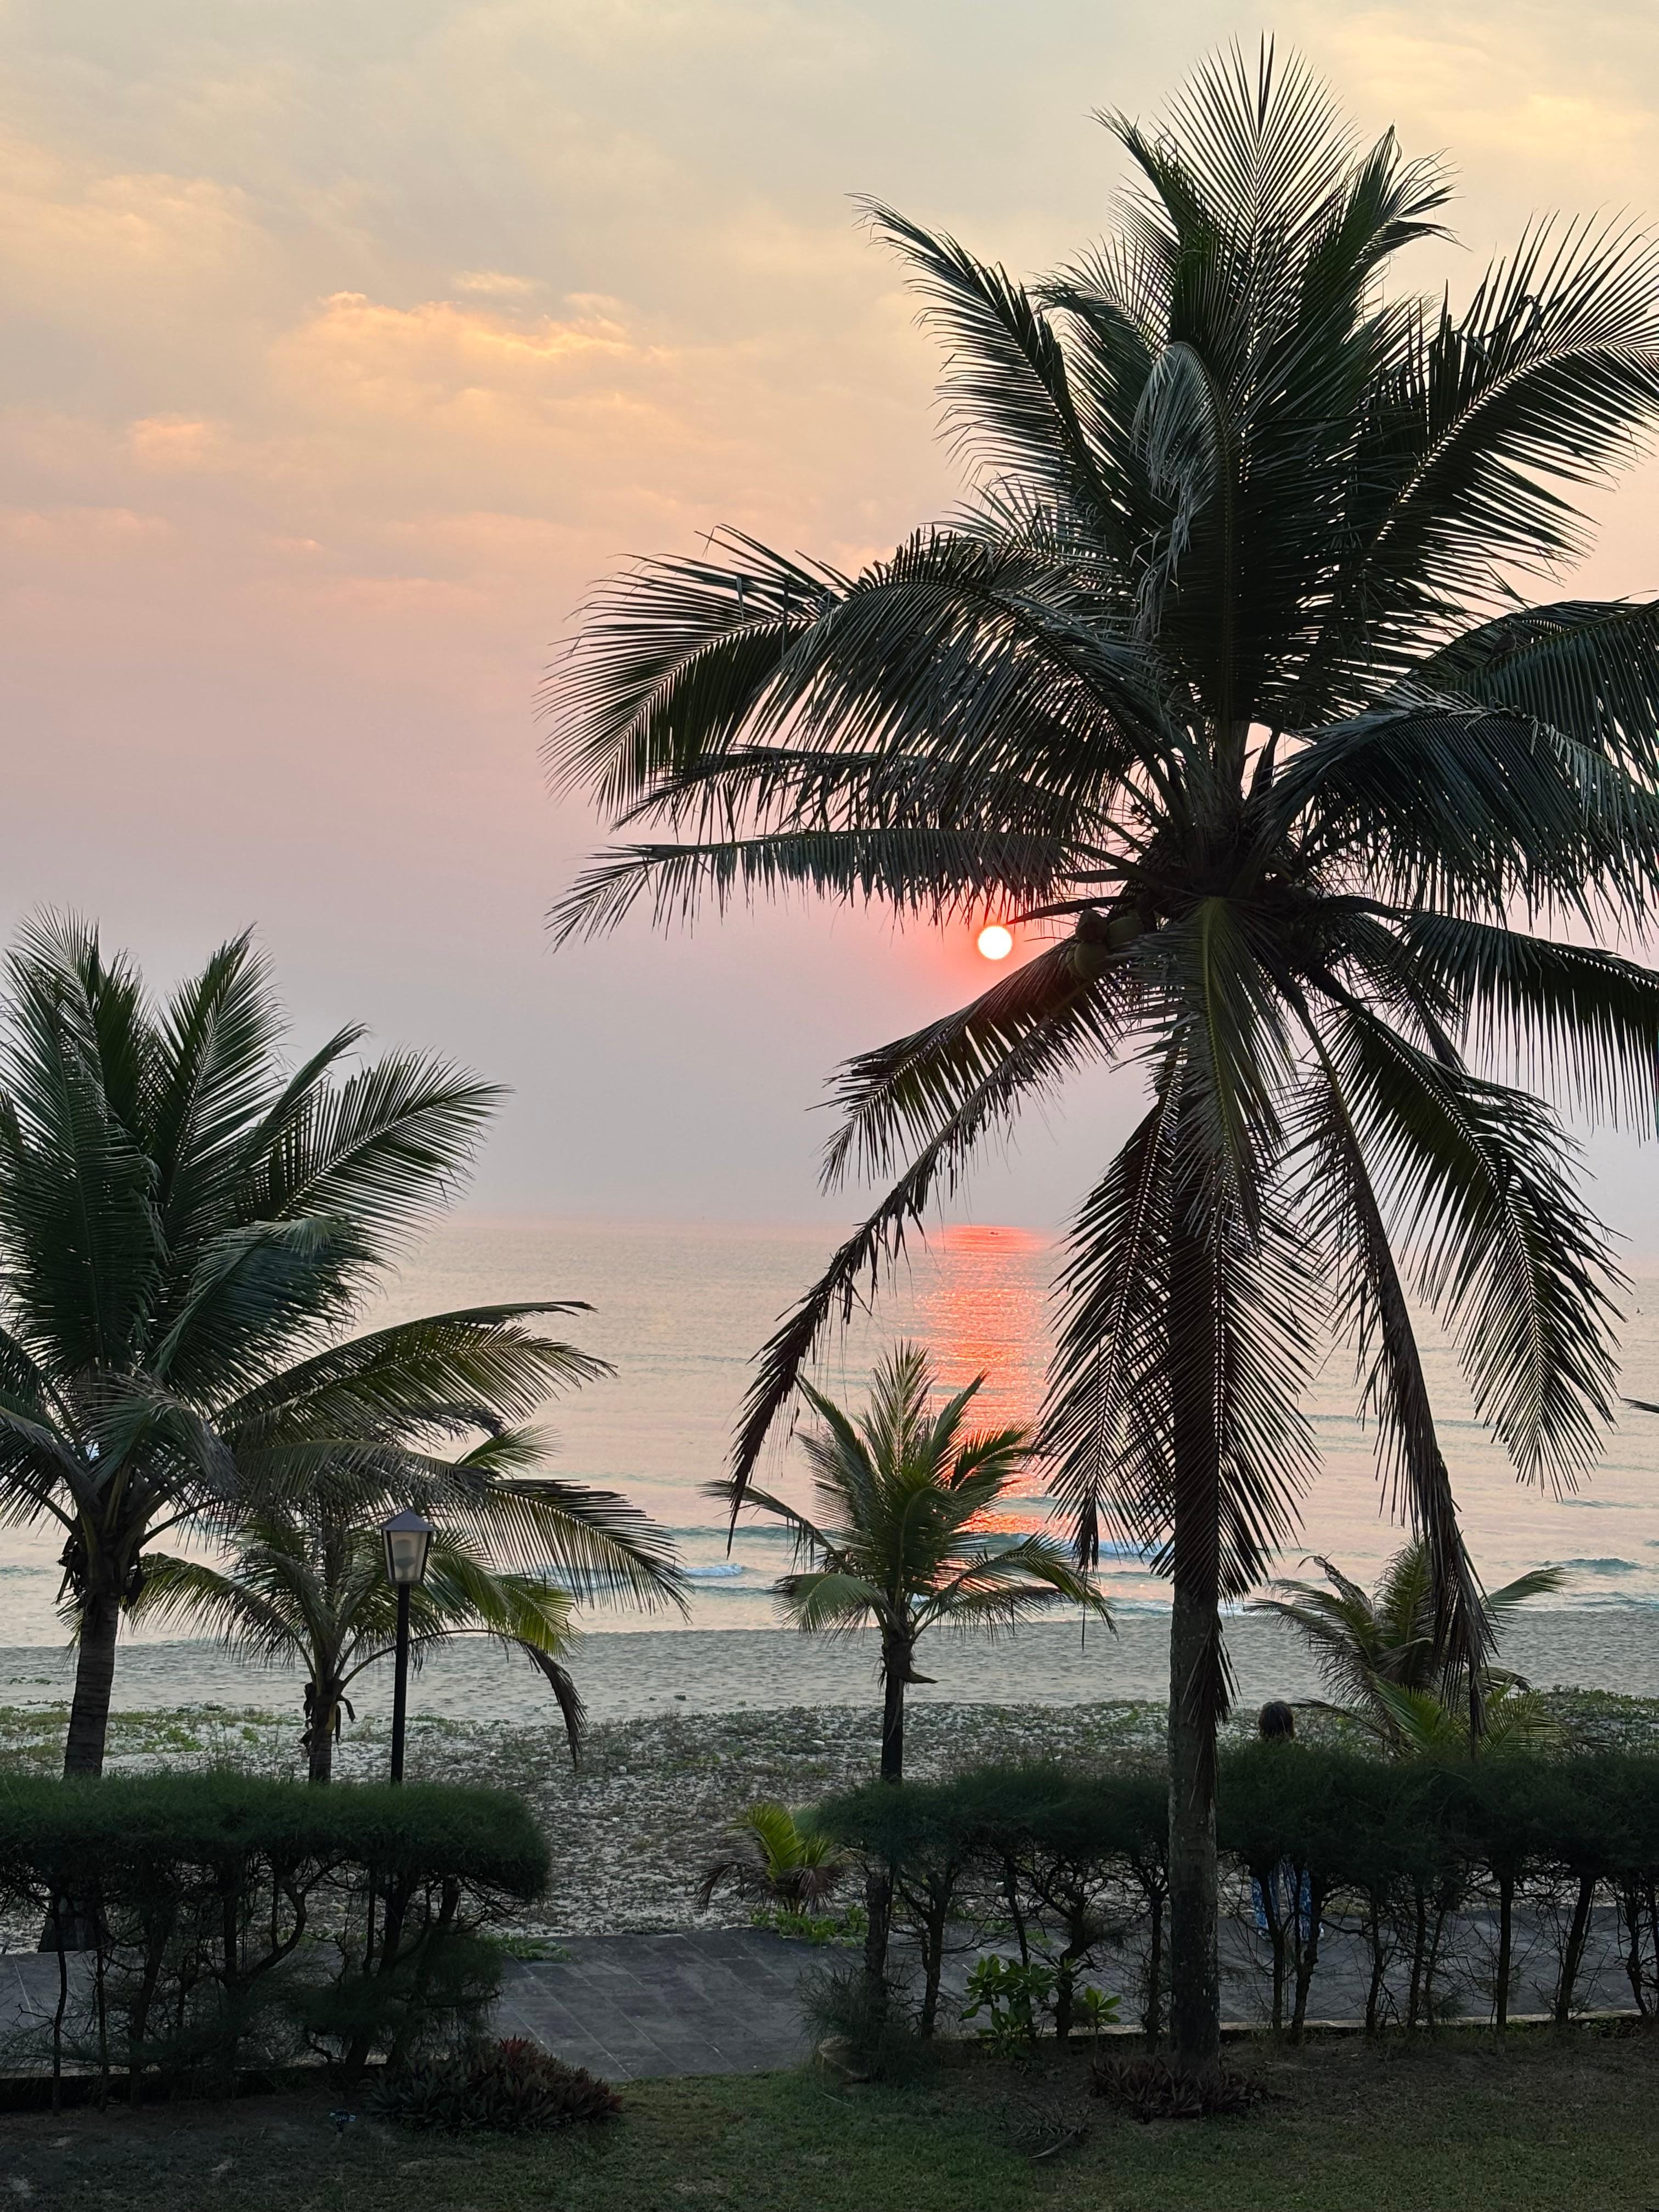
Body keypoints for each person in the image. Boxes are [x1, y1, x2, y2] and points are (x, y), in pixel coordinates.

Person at [1251, 1701, 1313, 1939]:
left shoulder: (1255, 1758)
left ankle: (1267, 1926)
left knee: (1264, 1882)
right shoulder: (1300, 1756)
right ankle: (1306, 1928)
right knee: (1299, 1882)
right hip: (1295, 1828)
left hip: (1265, 1829)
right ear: (1290, 1726)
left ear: (1262, 1727)